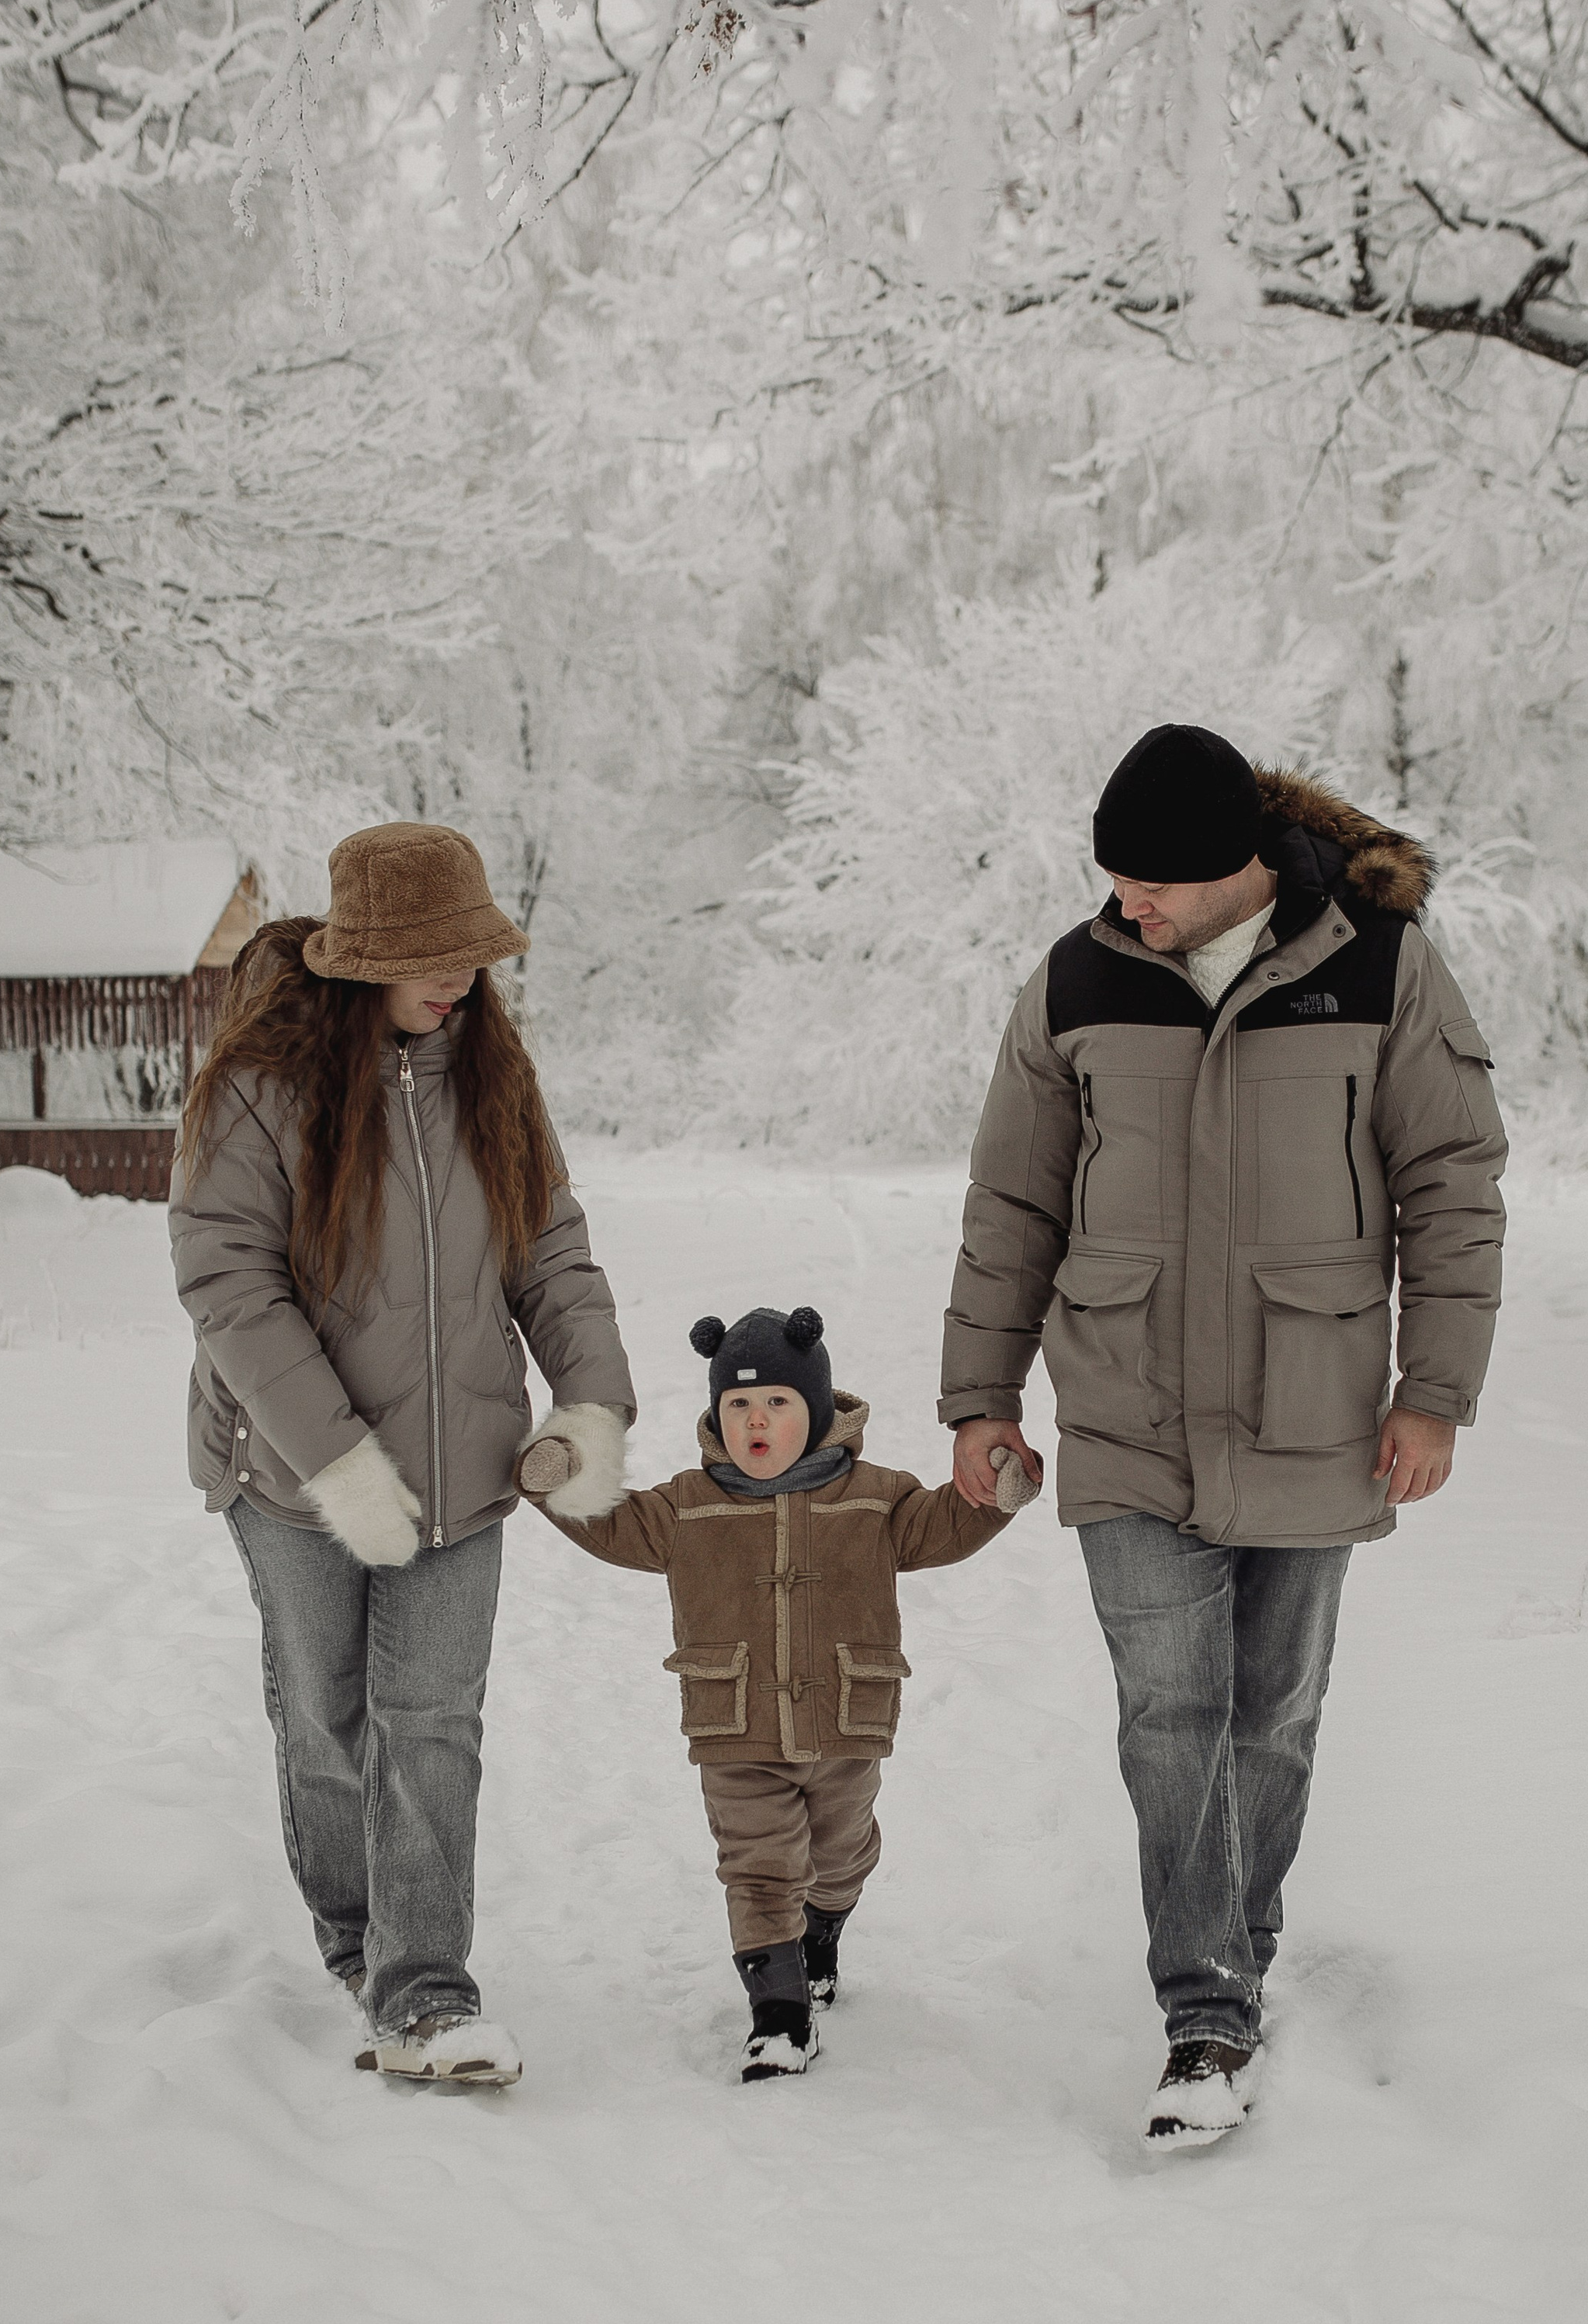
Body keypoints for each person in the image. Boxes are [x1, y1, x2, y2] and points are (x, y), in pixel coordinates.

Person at [941, 725, 1507, 2150]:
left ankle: (1236, 1940)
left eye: (1152, 884)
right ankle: (1203, 2011)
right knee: (1169, 1715)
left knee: (1274, 1715)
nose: (1126, 905)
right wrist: (979, 1397)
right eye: (1112, 878)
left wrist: (1434, 1390)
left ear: (1240, 869)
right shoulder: (1075, 979)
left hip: (1312, 1415)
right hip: (1125, 1412)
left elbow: (1451, 1182)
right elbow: (1012, 1202)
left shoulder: (1377, 970)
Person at [168, 822, 635, 2088]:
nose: (459, 979)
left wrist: (590, 1402)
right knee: (329, 1720)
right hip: (290, 1471)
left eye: (473, 954)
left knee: (431, 1727)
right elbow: (228, 1284)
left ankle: (426, 1994)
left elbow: (553, 1255)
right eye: (433, 956)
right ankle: (354, 1937)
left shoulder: (493, 1079)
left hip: (465, 1468)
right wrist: (341, 1468)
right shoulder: (262, 1087)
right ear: (363, 956)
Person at [518, 1304, 1036, 2080]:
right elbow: (613, 1524)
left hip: (845, 1724)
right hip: (737, 1728)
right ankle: (780, 2016)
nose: (755, 1420)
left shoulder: (875, 1497)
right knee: (758, 1867)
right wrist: (557, 1481)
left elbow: (942, 1524)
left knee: (838, 1853)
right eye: (738, 1406)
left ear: (817, 1408)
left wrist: (994, 1492)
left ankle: (821, 1932)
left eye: (776, 1404)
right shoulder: (686, 1505)